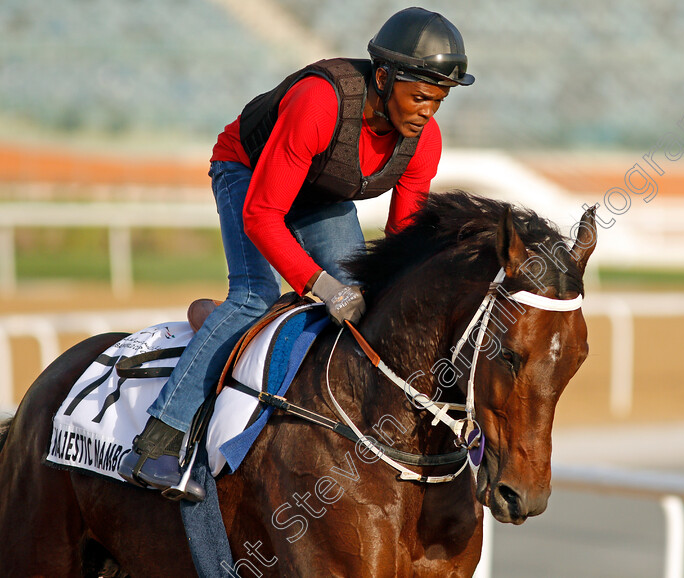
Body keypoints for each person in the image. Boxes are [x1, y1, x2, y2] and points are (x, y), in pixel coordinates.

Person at [118, 7, 475, 500]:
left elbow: (402, 243)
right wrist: (325, 288)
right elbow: (263, 214)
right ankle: (161, 437)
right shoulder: (317, 103)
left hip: (319, 190)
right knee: (254, 296)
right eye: (418, 97)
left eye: (437, 102)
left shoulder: (423, 141)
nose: (426, 112)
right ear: (384, 77)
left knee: (369, 303)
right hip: (246, 170)